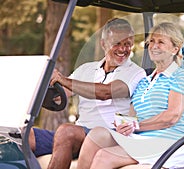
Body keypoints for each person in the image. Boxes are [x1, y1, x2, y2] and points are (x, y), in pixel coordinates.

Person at [29, 18, 146, 169]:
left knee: (66, 131)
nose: (123, 49)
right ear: (103, 44)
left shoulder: (135, 72)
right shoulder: (86, 69)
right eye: (117, 43)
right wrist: (43, 86)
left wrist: (63, 80)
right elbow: (60, 95)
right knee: (25, 135)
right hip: (80, 133)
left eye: (127, 44)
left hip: (108, 136)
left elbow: (105, 92)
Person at [76, 22, 184, 169]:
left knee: (103, 156)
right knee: (96, 135)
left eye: (161, 42)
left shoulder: (180, 75)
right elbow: (132, 117)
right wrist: (123, 125)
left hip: (168, 143)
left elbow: (171, 117)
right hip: (140, 140)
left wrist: (136, 126)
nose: (154, 46)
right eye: (151, 41)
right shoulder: (145, 81)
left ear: (175, 49)